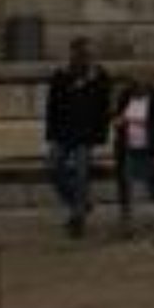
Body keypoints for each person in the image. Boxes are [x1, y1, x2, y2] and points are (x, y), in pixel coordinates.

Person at [43, 35, 112, 240]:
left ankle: (78, 218)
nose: (85, 58)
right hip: (64, 132)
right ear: (73, 54)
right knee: (53, 168)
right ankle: (79, 203)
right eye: (81, 53)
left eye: (88, 54)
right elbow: (52, 106)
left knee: (82, 175)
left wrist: (101, 135)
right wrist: (51, 134)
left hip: (86, 134)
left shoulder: (100, 76)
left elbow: (104, 108)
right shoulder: (62, 75)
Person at [112, 71, 154, 232]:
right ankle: (127, 224)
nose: (136, 92)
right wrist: (119, 122)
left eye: (139, 89)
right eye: (134, 88)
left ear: (146, 87)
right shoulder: (125, 97)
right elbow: (118, 119)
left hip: (149, 150)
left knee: (153, 188)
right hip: (128, 149)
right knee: (126, 185)